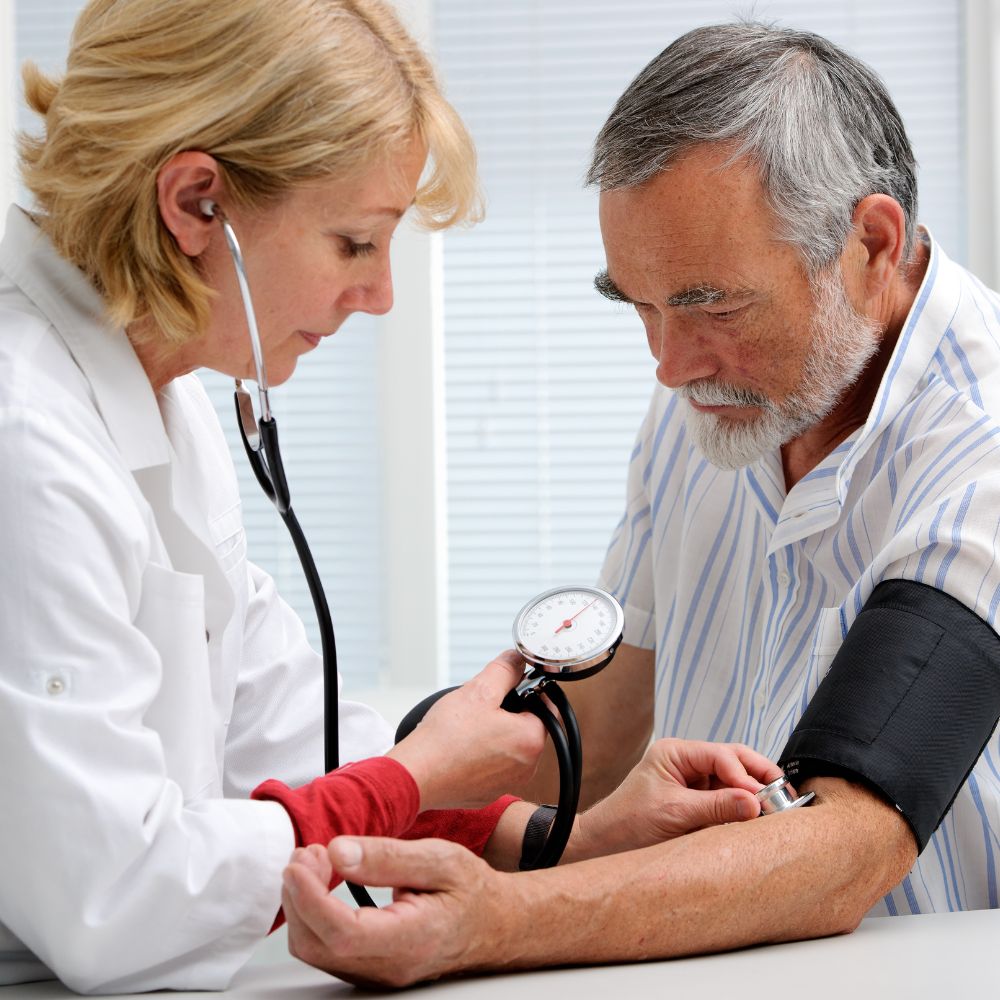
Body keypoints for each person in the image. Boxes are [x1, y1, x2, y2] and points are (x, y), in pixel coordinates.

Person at [0, 2, 782, 993]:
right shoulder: (24, 438)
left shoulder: (167, 410)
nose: (380, 298)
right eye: (354, 244)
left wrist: (567, 836)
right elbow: (113, 901)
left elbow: (283, 750)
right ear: (197, 203)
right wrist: (425, 770)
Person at [278, 21, 1000, 988]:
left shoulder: (980, 439)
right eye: (641, 305)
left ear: (871, 242)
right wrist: (368, 787)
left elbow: (847, 844)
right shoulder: (711, 405)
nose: (669, 364)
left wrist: (494, 920)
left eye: (713, 306)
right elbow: (596, 733)